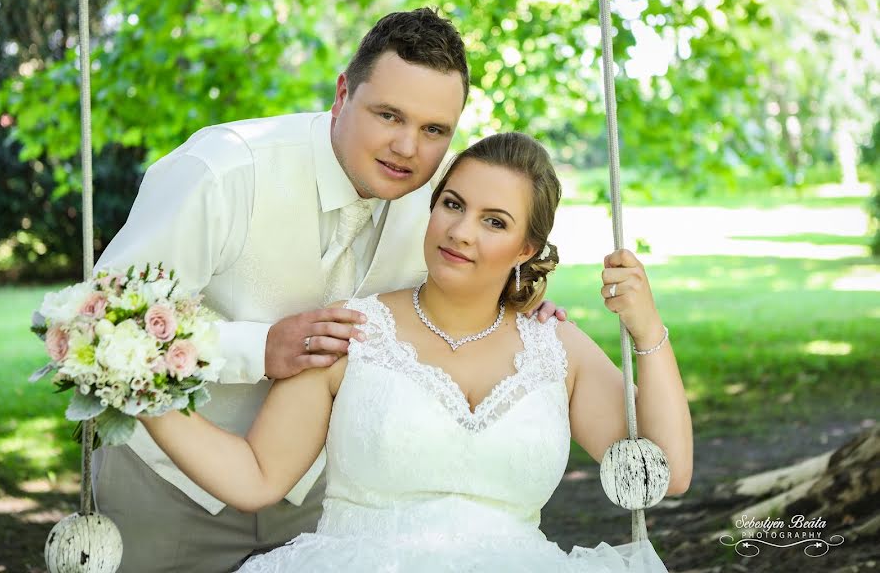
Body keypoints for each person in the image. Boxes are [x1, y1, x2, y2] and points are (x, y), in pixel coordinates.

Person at [92, 8, 566, 571]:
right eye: (388, 115)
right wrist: (257, 348)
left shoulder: (446, 202)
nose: (408, 148)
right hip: (169, 484)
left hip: (322, 499)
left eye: (435, 129)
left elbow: (470, 282)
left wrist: (516, 307)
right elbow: (102, 324)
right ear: (343, 93)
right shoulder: (221, 172)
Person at [140, 132, 694, 572]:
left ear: (526, 248)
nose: (460, 232)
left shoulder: (557, 350)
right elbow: (256, 475)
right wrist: (142, 394)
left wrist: (648, 333)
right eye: (452, 205)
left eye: (494, 222)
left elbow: (665, 474)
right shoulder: (353, 332)